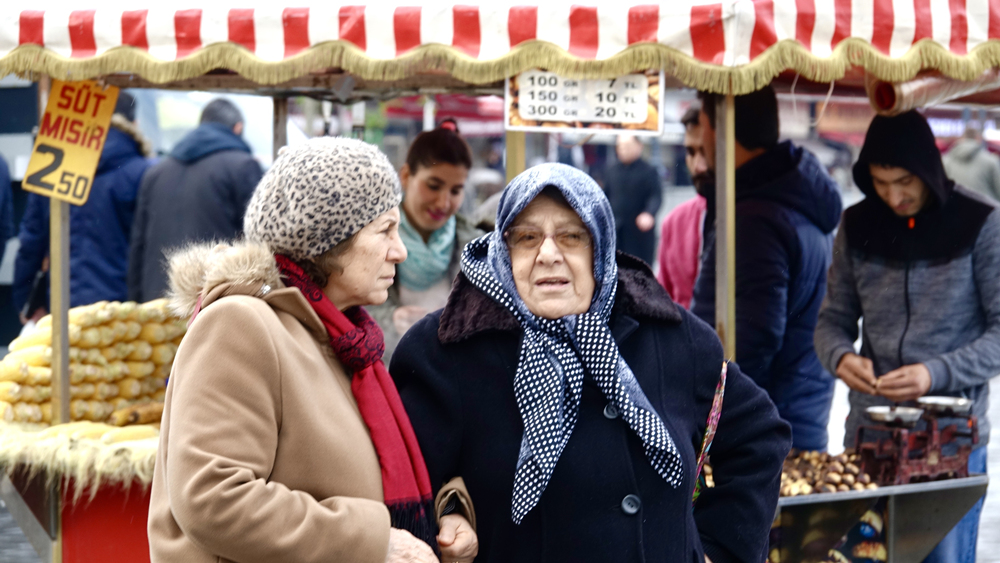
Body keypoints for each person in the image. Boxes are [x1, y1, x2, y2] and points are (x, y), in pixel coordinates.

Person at [391, 163, 791, 563]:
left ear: (599, 246)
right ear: (503, 249)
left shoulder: (669, 335)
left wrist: (717, 549)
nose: (548, 255)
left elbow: (759, 436)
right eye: (527, 237)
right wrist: (450, 510)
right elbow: (403, 487)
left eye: (571, 236)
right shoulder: (447, 350)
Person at [148, 138, 477, 563]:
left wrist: (446, 513)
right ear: (329, 241)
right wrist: (371, 543)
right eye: (385, 231)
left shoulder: (347, 341)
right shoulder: (240, 325)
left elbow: (374, 471)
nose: (400, 251)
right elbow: (212, 497)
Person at [815, 111, 1000, 563]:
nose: (894, 196)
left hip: (950, 442)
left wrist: (934, 374)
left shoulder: (982, 222)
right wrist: (840, 357)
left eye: (904, 182)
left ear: (928, 170)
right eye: (880, 183)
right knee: (863, 556)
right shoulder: (856, 224)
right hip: (869, 437)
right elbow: (831, 321)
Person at [690, 86, 843, 452]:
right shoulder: (790, 196)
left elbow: (749, 339)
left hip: (763, 433)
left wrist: (708, 420)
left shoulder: (756, 217)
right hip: (796, 415)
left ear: (716, 126)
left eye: (702, 123)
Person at [14, 92, 151, 316]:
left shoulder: (51, 166)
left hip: (62, 310)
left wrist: (26, 302)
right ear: (134, 124)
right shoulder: (145, 172)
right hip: (127, 314)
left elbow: (30, 243)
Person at [128, 98, 263, 303]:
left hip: (159, 302)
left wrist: (137, 302)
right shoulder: (243, 167)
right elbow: (258, 242)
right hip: (215, 302)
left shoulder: (156, 173)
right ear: (238, 128)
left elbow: (138, 248)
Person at [367, 123, 482, 359]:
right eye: (433, 186)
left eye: (455, 191)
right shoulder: (367, 241)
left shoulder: (477, 249)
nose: (443, 203)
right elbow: (347, 310)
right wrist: (390, 320)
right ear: (406, 176)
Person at [657, 105, 709, 309]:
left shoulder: (750, 220)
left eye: (706, 152)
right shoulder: (674, 222)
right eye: (691, 152)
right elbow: (663, 299)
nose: (698, 166)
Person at [604, 135, 662, 264]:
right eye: (620, 147)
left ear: (639, 147)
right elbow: (605, 197)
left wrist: (649, 213)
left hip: (639, 233)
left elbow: (655, 196)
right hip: (617, 231)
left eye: (627, 146)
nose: (623, 150)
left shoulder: (649, 171)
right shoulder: (612, 170)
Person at [942, 121, 1000, 202]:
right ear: (978, 138)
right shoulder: (991, 161)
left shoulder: (945, 160)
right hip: (985, 207)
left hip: (954, 206)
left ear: (962, 138)